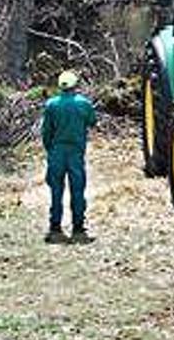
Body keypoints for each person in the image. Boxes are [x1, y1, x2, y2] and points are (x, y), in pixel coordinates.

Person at [41, 71, 97, 243]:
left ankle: (55, 226)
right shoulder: (84, 104)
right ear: (76, 85)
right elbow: (92, 122)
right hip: (76, 152)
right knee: (78, 190)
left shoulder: (51, 105)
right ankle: (78, 226)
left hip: (57, 151)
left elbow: (46, 132)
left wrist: (50, 150)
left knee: (56, 190)